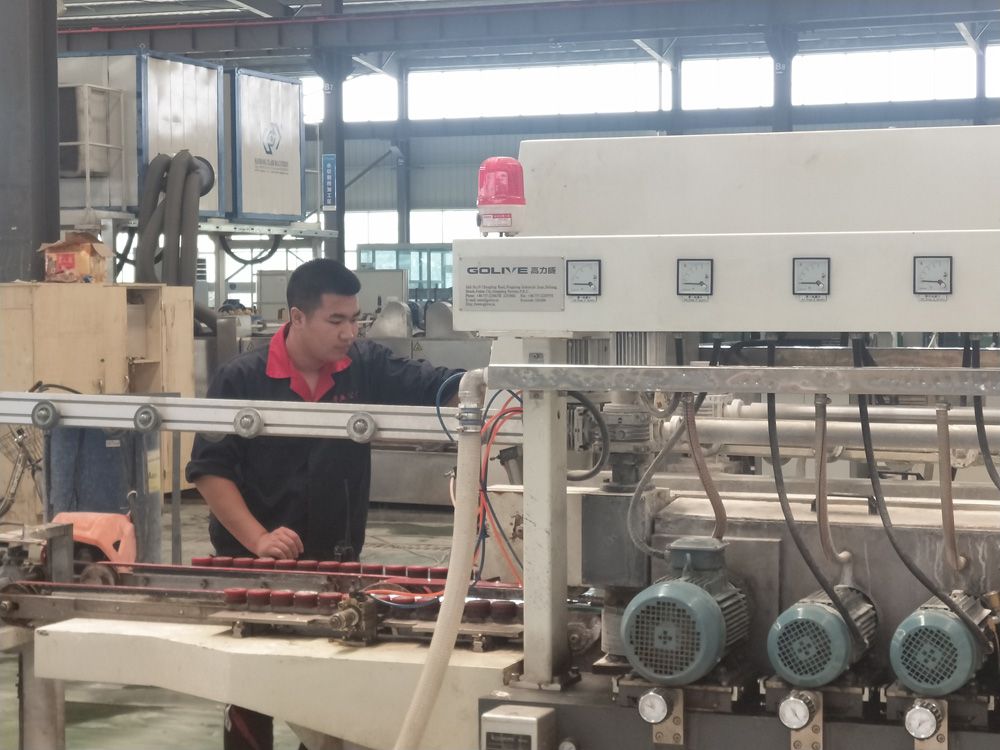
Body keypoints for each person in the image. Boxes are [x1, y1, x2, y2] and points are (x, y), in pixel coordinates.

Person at [186, 258, 463, 750]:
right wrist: (259, 539)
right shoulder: (241, 378)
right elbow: (210, 470)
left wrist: (491, 383)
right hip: (253, 570)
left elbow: (432, 384)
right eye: (336, 321)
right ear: (297, 317)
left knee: (328, 698)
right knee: (251, 695)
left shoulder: (363, 366)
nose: (348, 333)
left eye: (355, 319)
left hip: (337, 565)